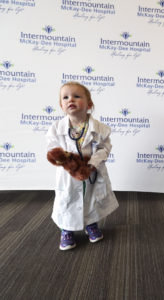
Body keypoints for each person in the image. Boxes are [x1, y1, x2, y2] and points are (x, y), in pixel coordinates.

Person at [46, 82, 119, 250]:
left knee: (91, 198)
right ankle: (67, 230)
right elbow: (51, 148)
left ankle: (91, 224)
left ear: (89, 104)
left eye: (77, 96)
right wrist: (66, 161)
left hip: (92, 172)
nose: (70, 99)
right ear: (61, 105)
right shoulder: (56, 128)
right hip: (68, 175)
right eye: (66, 97)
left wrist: (92, 164)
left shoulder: (100, 129)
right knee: (68, 199)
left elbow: (104, 148)